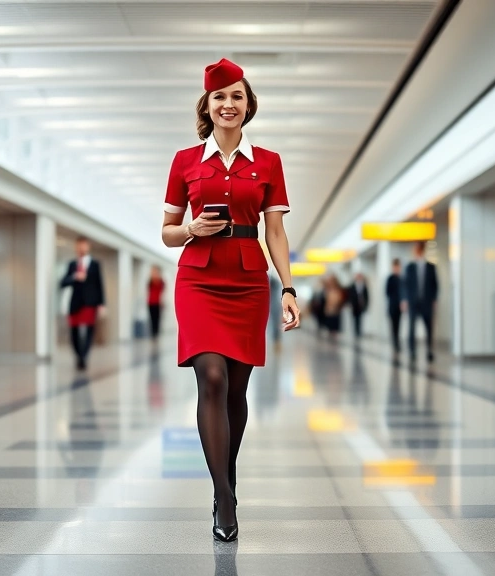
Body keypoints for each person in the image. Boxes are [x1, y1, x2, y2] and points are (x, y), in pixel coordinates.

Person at [161, 58, 299, 543]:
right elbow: (166, 233)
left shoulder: (268, 162)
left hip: (245, 279)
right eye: (220, 97)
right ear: (207, 105)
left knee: (236, 391)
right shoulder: (184, 161)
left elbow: (276, 231)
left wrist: (287, 286)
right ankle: (224, 496)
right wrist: (191, 228)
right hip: (197, 279)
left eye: (237, 96)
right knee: (212, 378)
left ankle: (227, 477)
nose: (228, 104)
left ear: (248, 105)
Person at [60, 237, 105, 370]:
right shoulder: (72, 265)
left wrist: (102, 304)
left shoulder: (95, 264)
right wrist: (75, 277)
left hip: (90, 303)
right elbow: (63, 282)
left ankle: (84, 356)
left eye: (84, 245)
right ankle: (79, 356)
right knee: (74, 332)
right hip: (75, 303)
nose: (81, 248)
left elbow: (99, 285)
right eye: (79, 245)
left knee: (89, 331)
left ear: (88, 247)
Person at [404, 241, 438, 362]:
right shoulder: (410, 267)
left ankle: (429, 350)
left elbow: (435, 284)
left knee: (429, 327)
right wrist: (405, 300)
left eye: (418, 249)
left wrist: (434, 299)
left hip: (426, 302)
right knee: (411, 327)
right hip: (413, 302)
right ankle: (412, 351)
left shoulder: (431, 267)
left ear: (421, 250)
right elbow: (406, 285)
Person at [385, 258, 404, 355]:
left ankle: (397, 343)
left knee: (398, 325)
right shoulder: (390, 279)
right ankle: (395, 343)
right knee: (393, 326)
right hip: (392, 306)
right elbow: (387, 292)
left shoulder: (401, 279)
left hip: (399, 307)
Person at [346, 272, 369, 341]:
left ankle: (359, 332)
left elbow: (367, 297)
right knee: (355, 319)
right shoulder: (352, 286)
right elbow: (350, 296)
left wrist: (365, 305)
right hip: (354, 306)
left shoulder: (364, 286)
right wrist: (350, 304)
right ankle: (356, 332)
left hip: (361, 306)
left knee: (360, 319)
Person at [146, 265, 164, 340]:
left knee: (157, 319)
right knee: (152, 319)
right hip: (150, 303)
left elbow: (162, 291)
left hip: (158, 303)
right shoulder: (150, 281)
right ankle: (153, 334)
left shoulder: (161, 282)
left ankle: (156, 334)